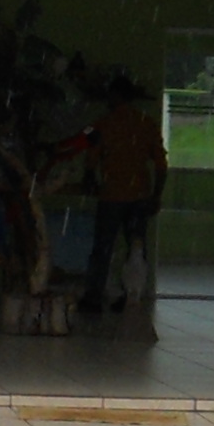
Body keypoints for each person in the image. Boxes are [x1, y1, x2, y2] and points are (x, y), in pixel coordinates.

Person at [86, 75, 166, 320]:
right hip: (139, 196)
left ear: (116, 96)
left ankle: (94, 297)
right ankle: (132, 295)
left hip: (111, 195)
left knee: (103, 249)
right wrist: (156, 195)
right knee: (136, 249)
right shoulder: (146, 123)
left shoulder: (104, 124)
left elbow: (91, 160)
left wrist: (91, 181)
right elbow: (161, 164)